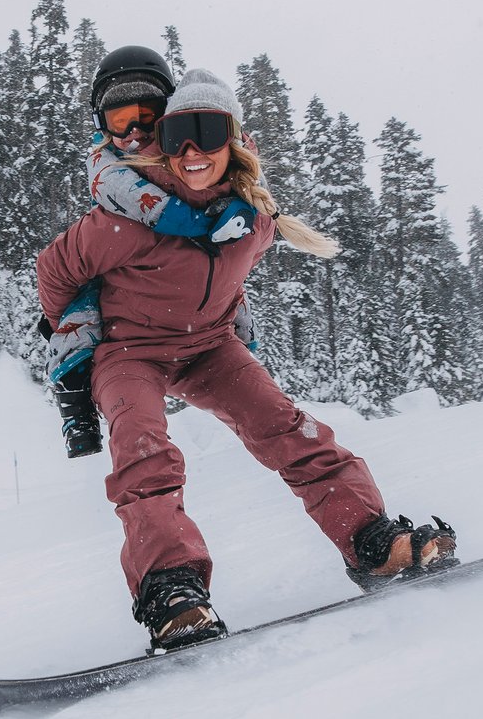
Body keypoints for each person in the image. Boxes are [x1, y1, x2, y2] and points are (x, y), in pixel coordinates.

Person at [36, 68, 458, 651]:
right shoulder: (116, 223)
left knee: (289, 429)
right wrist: (76, 335)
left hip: (210, 346)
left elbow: (231, 279)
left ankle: (373, 544)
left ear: (231, 141)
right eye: (175, 134)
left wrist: (231, 321)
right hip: (131, 352)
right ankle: (172, 591)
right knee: (144, 452)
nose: (187, 150)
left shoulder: (253, 222)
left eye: (201, 134)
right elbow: (53, 273)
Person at [42, 46, 258, 459]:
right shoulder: (111, 176)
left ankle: (239, 351)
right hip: (124, 319)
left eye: (148, 117)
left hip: (198, 319)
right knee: (80, 315)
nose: (135, 133)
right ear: (102, 127)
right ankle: (76, 397)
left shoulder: (197, 159)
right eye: (120, 122)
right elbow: (56, 267)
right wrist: (66, 324)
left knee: (229, 280)